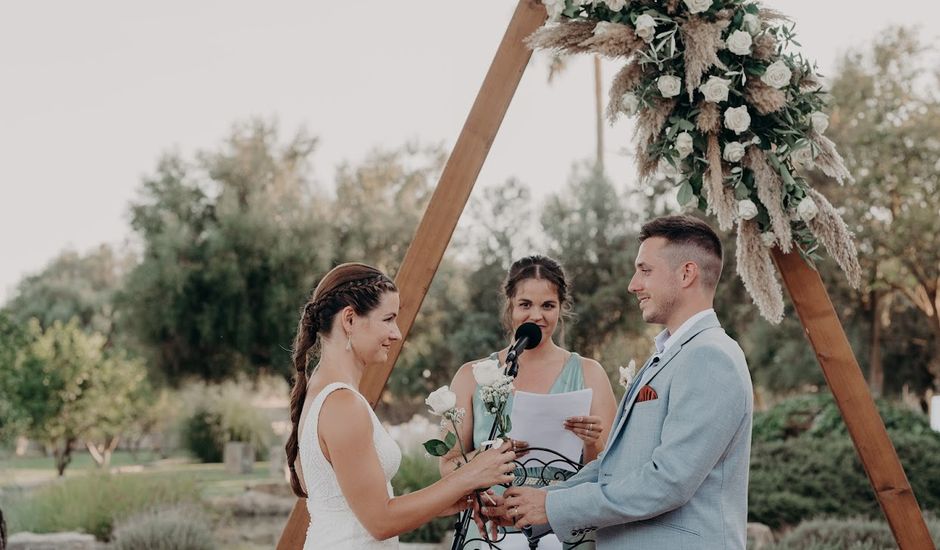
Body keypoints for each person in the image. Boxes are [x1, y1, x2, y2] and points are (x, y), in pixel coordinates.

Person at [492, 216, 753, 549]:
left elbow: (668, 482)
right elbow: (617, 469)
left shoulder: (711, 357)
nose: (633, 284)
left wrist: (551, 506)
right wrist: (533, 503)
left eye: (645, 270)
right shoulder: (669, 355)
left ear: (686, 274)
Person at [286, 262, 517, 549]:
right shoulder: (342, 404)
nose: (396, 334)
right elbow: (380, 521)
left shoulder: (326, 393)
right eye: (388, 319)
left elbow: (360, 506)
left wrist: (455, 499)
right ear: (349, 320)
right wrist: (470, 474)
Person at [441, 255, 617, 548]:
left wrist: (591, 442)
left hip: (566, 533)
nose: (537, 316)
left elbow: (610, 472)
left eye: (547, 305)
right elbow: (447, 467)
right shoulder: (470, 376)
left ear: (561, 307)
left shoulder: (590, 373)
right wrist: (491, 454)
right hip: (490, 532)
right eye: (525, 304)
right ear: (509, 304)